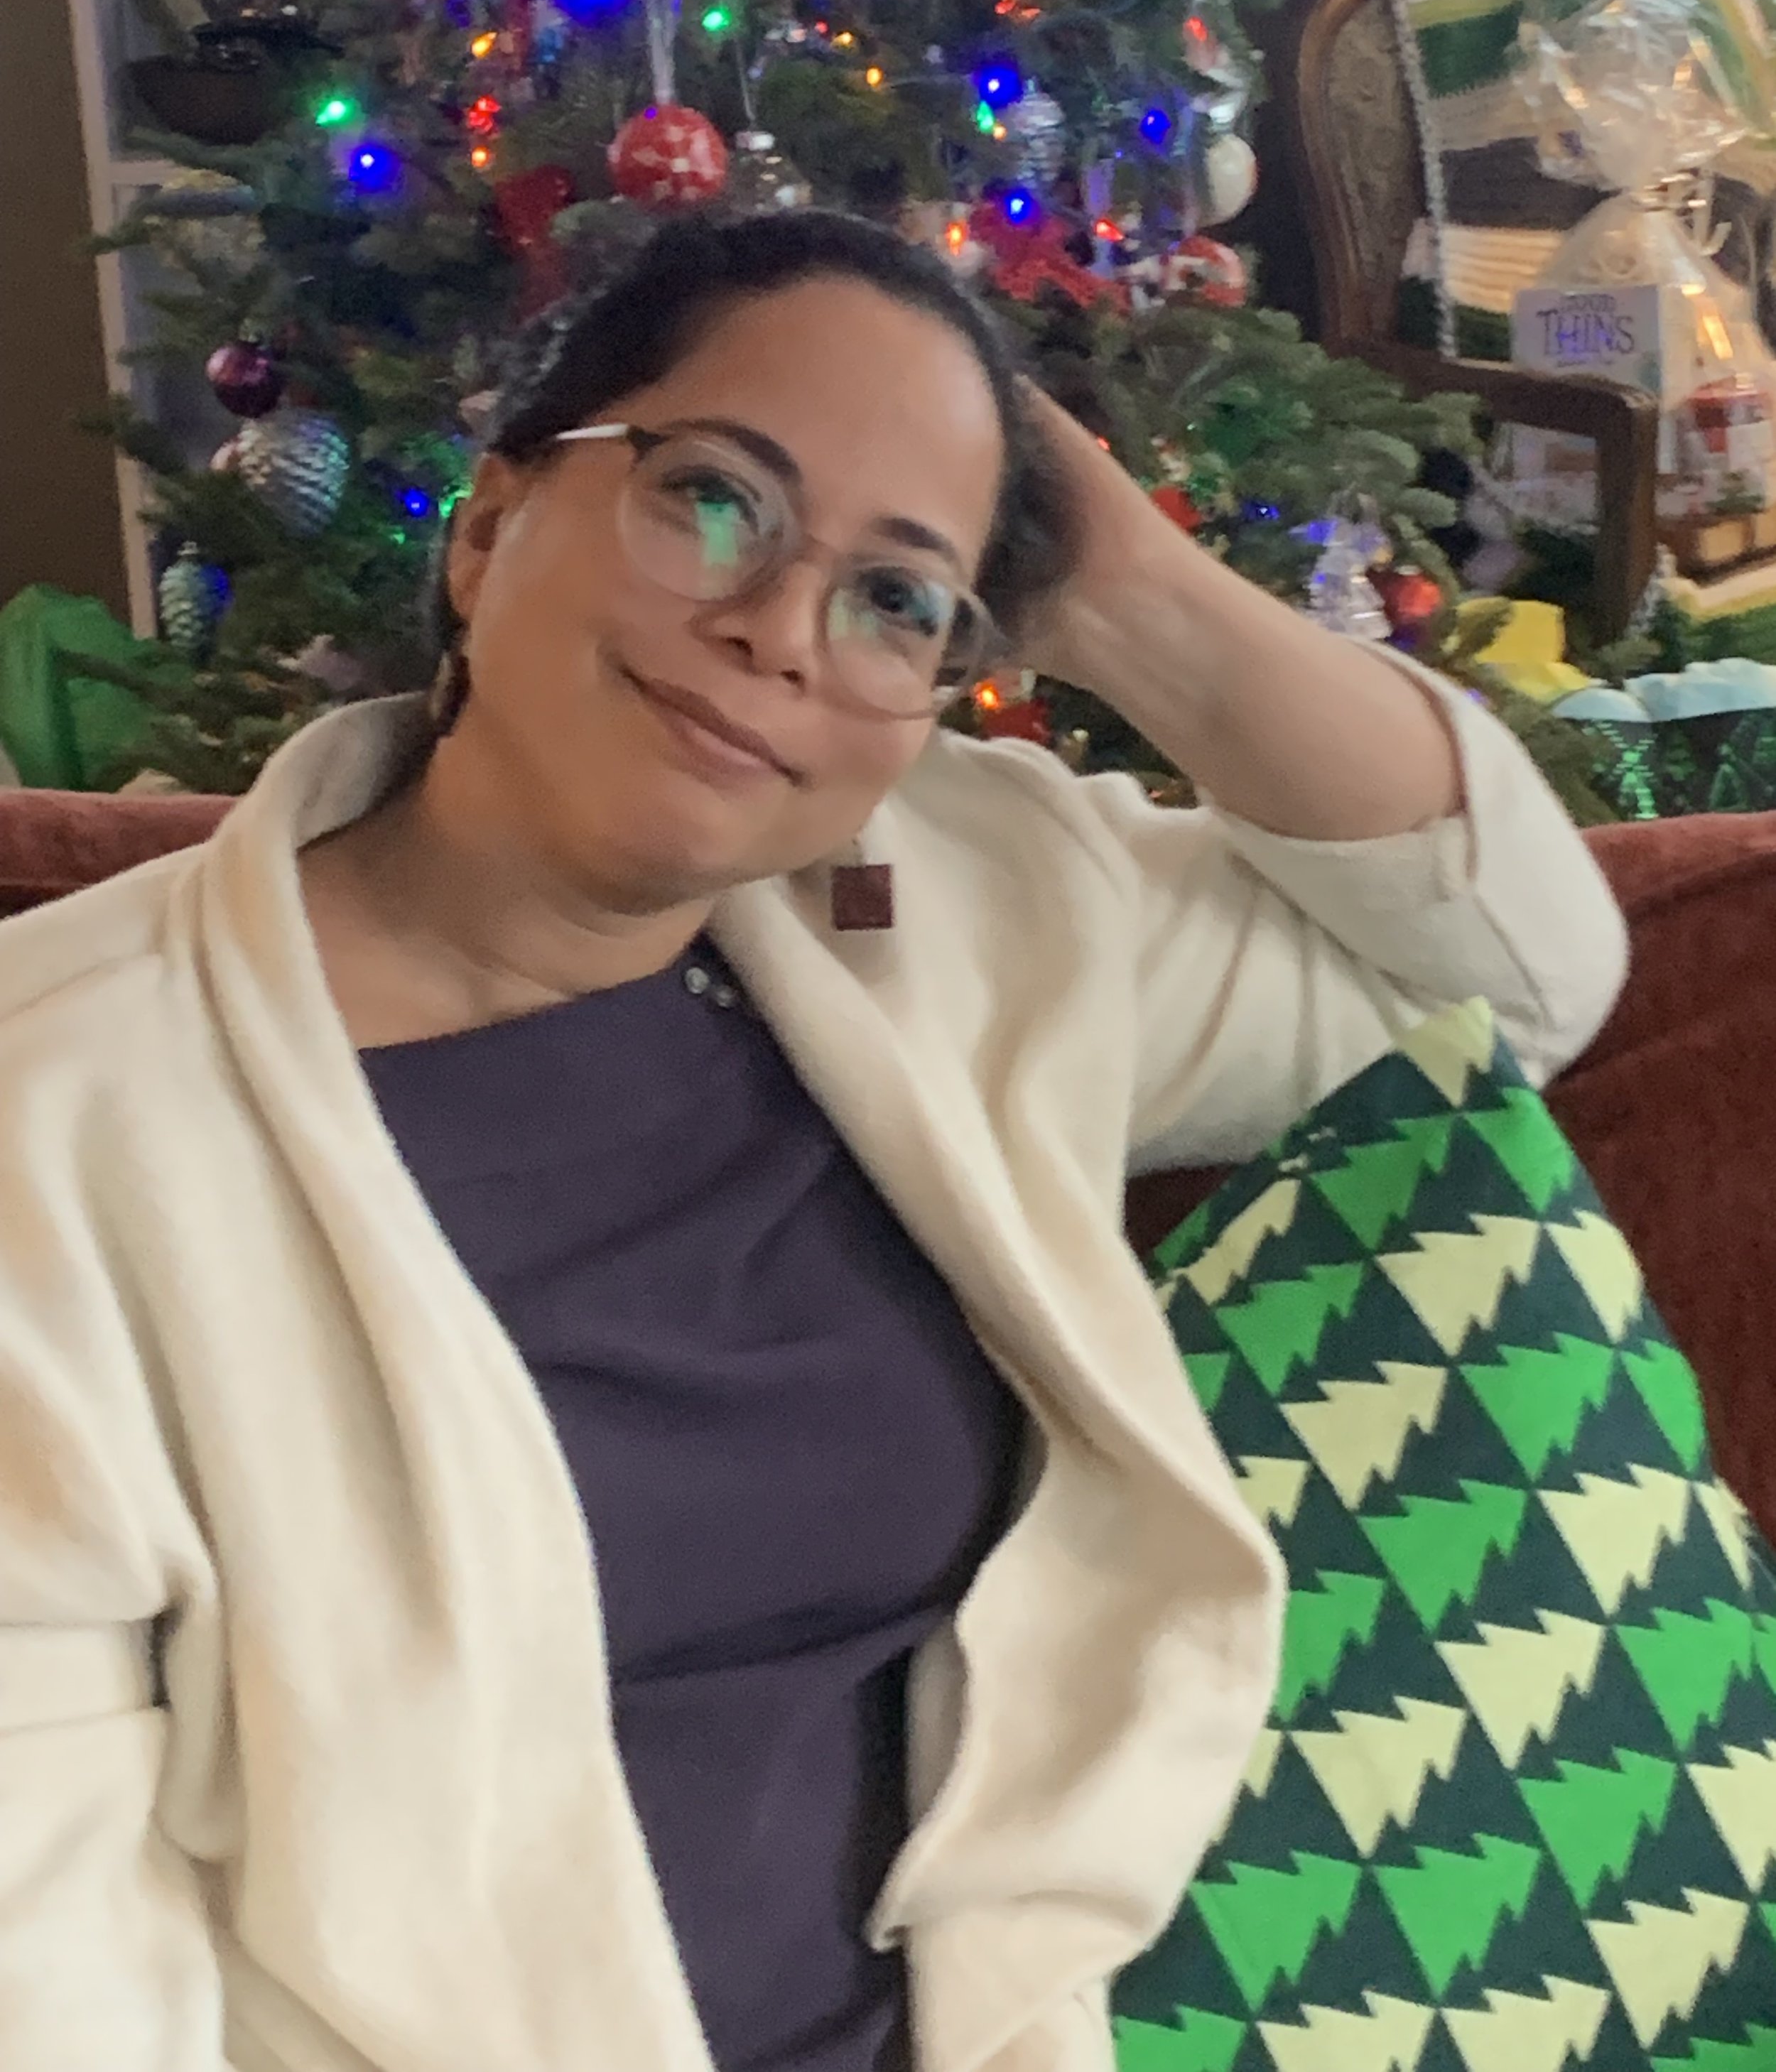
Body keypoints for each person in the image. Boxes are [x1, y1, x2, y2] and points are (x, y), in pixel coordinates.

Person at [0, 209, 1625, 2072]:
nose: (779, 629)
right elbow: (52, 1982)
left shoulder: (958, 921)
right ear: (488, 520)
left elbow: (1514, 977)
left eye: (894, 597)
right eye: (712, 498)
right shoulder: (54, 1117)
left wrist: (1123, 591)